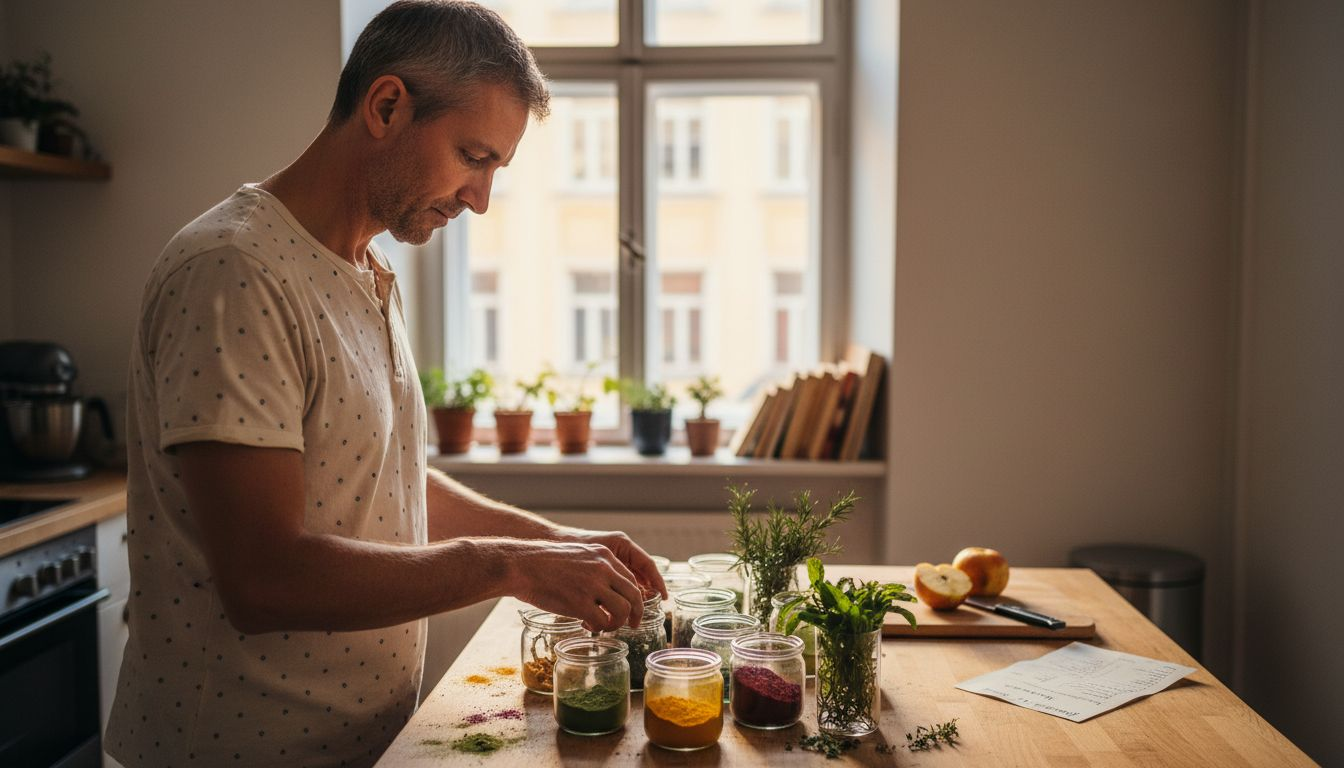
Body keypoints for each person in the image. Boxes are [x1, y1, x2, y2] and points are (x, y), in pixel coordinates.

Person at [106, 3, 665, 766]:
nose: (480, 198)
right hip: (238, 748)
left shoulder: (365, 271)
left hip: (360, 742)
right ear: (387, 105)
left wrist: (559, 544)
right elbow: (264, 578)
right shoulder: (234, 271)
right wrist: (509, 565)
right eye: (474, 156)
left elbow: (385, 487)